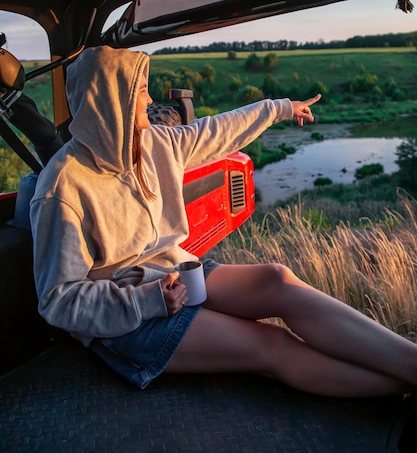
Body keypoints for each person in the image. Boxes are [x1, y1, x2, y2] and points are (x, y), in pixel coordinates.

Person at [30, 45, 417, 397]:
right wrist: (147, 301)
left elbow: (215, 131)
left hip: (174, 272)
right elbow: (58, 300)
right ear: (114, 102)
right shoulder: (63, 187)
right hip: (127, 319)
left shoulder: (154, 144)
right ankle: (399, 394)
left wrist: (280, 108)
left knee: (277, 278)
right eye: (141, 91)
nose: (149, 99)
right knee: (271, 345)